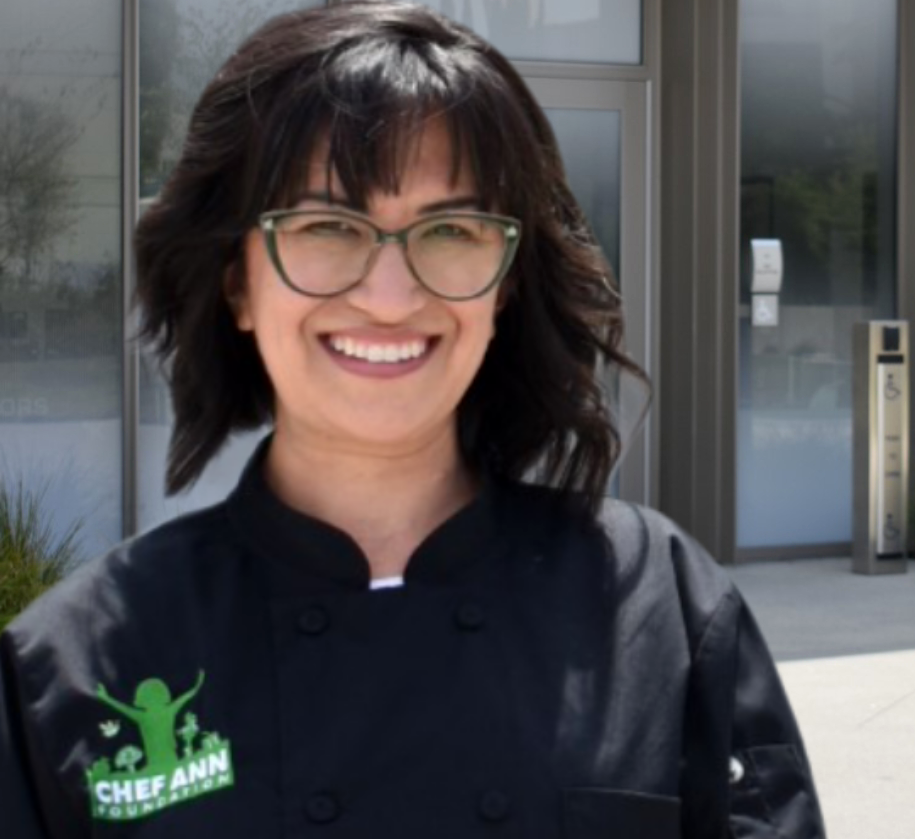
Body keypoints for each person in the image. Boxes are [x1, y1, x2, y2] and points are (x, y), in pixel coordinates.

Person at [0, 3, 826, 837]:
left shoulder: (660, 604)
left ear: (503, 286)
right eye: (326, 224)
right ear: (235, 280)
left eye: (451, 229)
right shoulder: (76, 662)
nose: (390, 298)